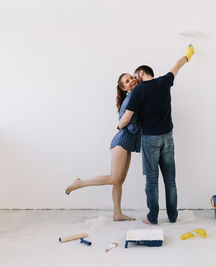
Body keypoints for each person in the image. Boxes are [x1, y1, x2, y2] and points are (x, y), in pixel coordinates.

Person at [118, 45, 194, 224]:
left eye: (135, 77)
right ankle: (173, 216)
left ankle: (152, 218)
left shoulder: (139, 90)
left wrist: (118, 125)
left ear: (142, 73)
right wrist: (188, 55)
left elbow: (126, 118)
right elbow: (178, 65)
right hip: (168, 137)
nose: (135, 81)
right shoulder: (165, 81)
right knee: (170, 179)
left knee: (152, 181)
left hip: (150, 139)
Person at [65, 73, 142, 221]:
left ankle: (117, 214)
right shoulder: (132, 96)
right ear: (125, 88)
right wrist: (119, 125)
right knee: (114, 178)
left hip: (128, 142)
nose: (132, 80)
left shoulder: (135, 95)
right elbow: (124, 121)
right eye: (127, 81)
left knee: (119, 180)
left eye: (132, 77)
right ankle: (80, 183)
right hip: (121, 141)